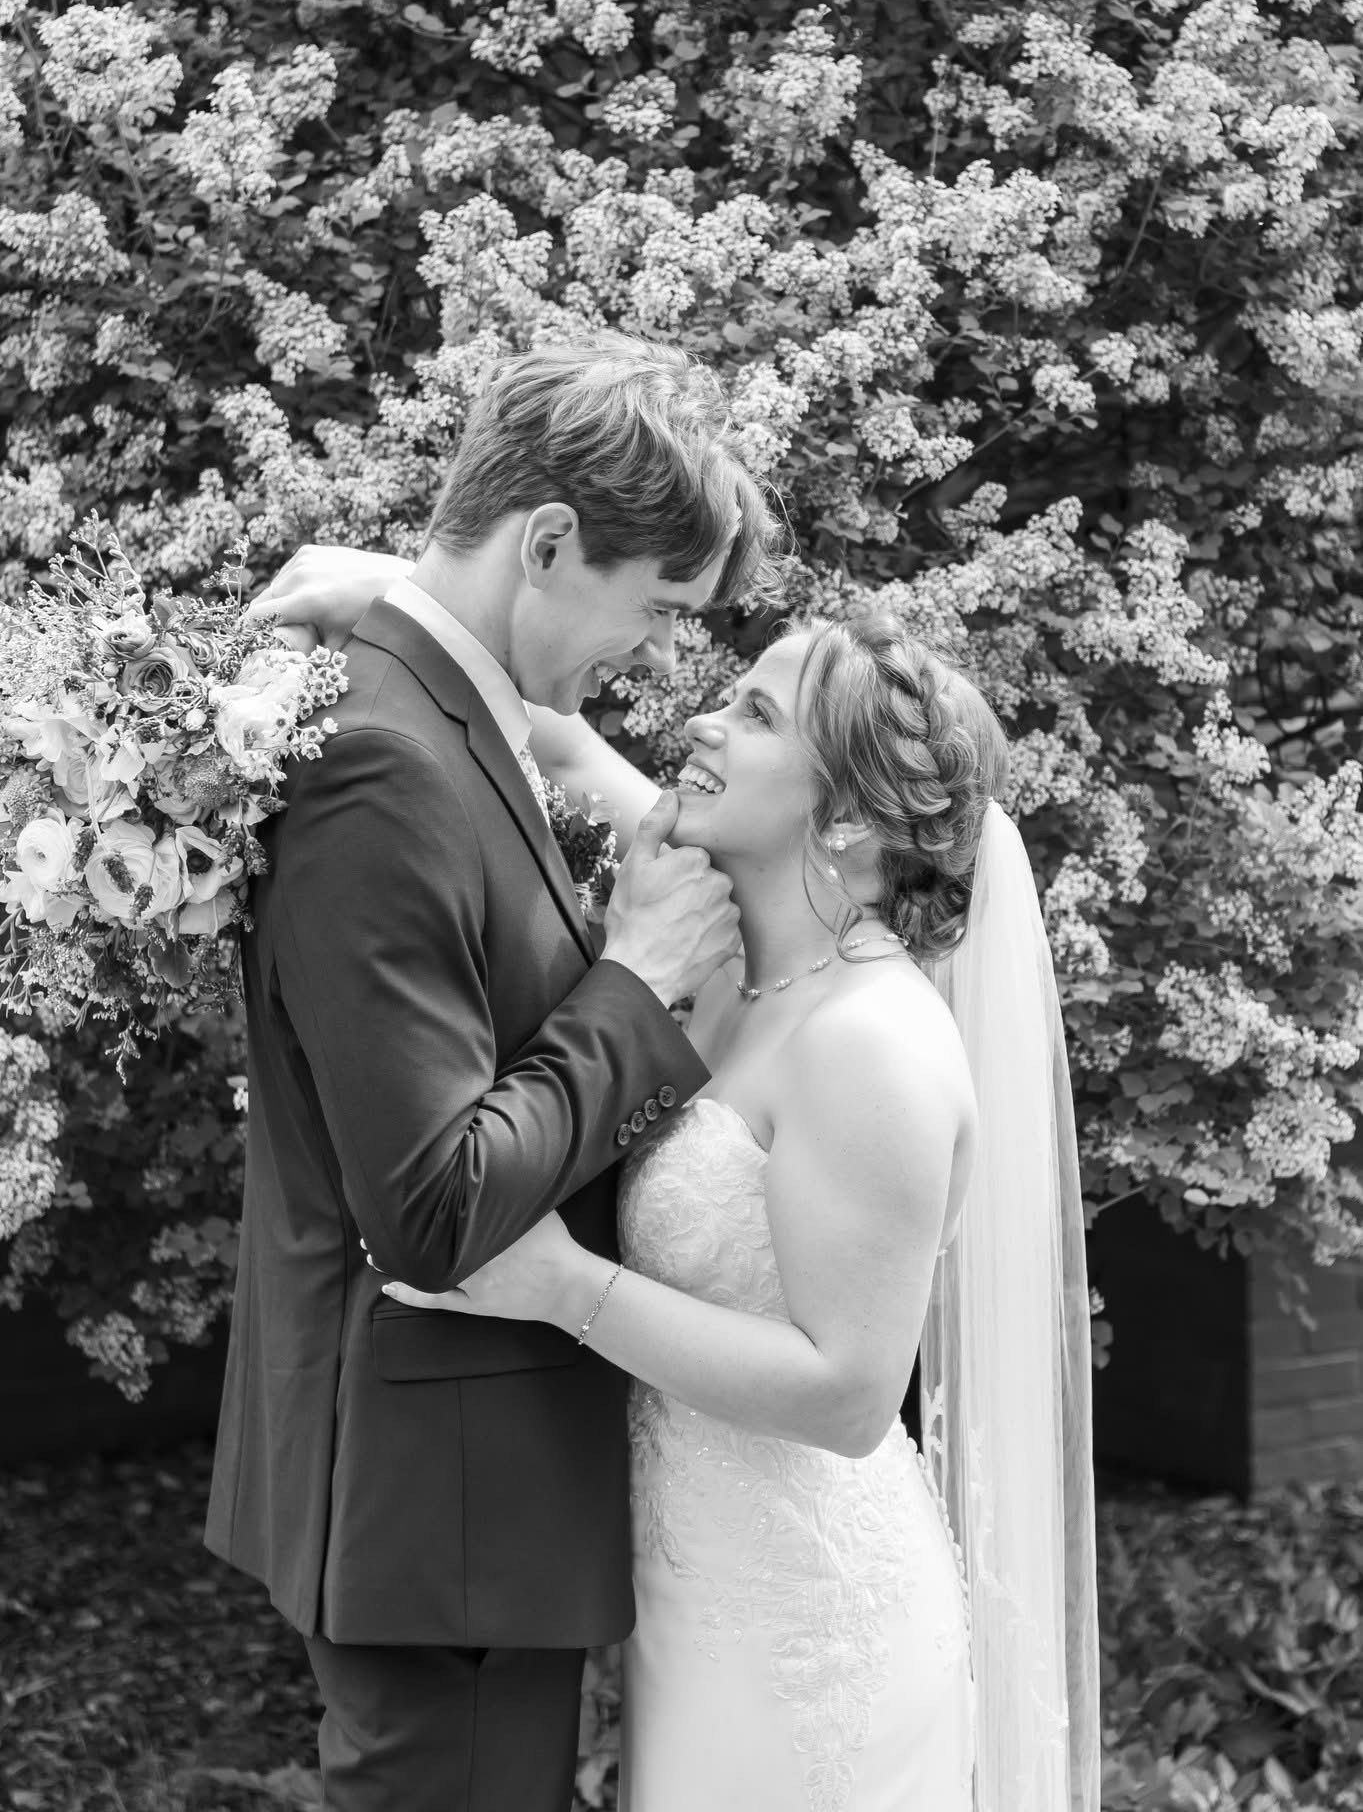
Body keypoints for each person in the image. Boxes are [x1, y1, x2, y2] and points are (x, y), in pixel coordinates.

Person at [268, 551, 1101, 1812]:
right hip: (688, 1591)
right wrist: (399, 588)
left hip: (811, 1620)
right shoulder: (716, 964)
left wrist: (560, 1285)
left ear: (843, 820)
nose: (702, 721)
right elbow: (544, 731)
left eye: (756, 714)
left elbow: (848, 1392)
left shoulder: (868, 1039)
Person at [204, 333, 785, 1812]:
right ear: (546, 542)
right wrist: (637, 978)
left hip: (466, 1500)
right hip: (440, 1504)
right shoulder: (385, 761)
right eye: (653, 608)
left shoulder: (442, 706)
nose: (651, 654)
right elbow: (437, 1207)